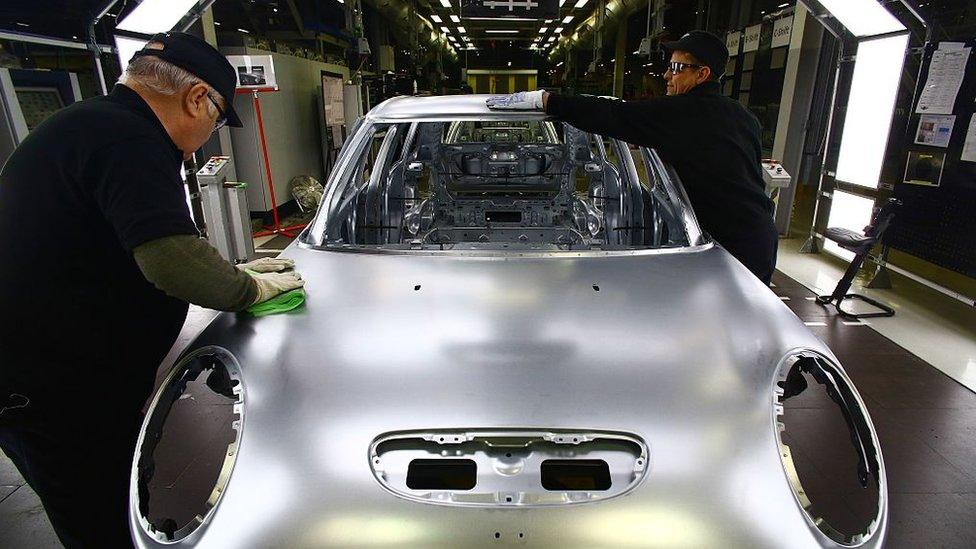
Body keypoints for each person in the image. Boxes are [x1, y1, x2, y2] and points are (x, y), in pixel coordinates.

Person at [0, 32, 303, 548]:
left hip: (66, 372)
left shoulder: (98, 124)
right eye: (218, 117)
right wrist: (250, 288)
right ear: (195, 98)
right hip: (54, 388)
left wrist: (236, 268)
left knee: (112, 486)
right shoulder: (130, 140)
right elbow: (173, 262)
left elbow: (140, 241)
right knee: (97, 516)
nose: (210, 134)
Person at [486, 31, 778, 284]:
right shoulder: (743, 116)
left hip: (728, 245)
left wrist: (547, 101)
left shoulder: (681, 114)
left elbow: (612, 116)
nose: (666, 75)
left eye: (677, 68)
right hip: (758, 234)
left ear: (702, 74)